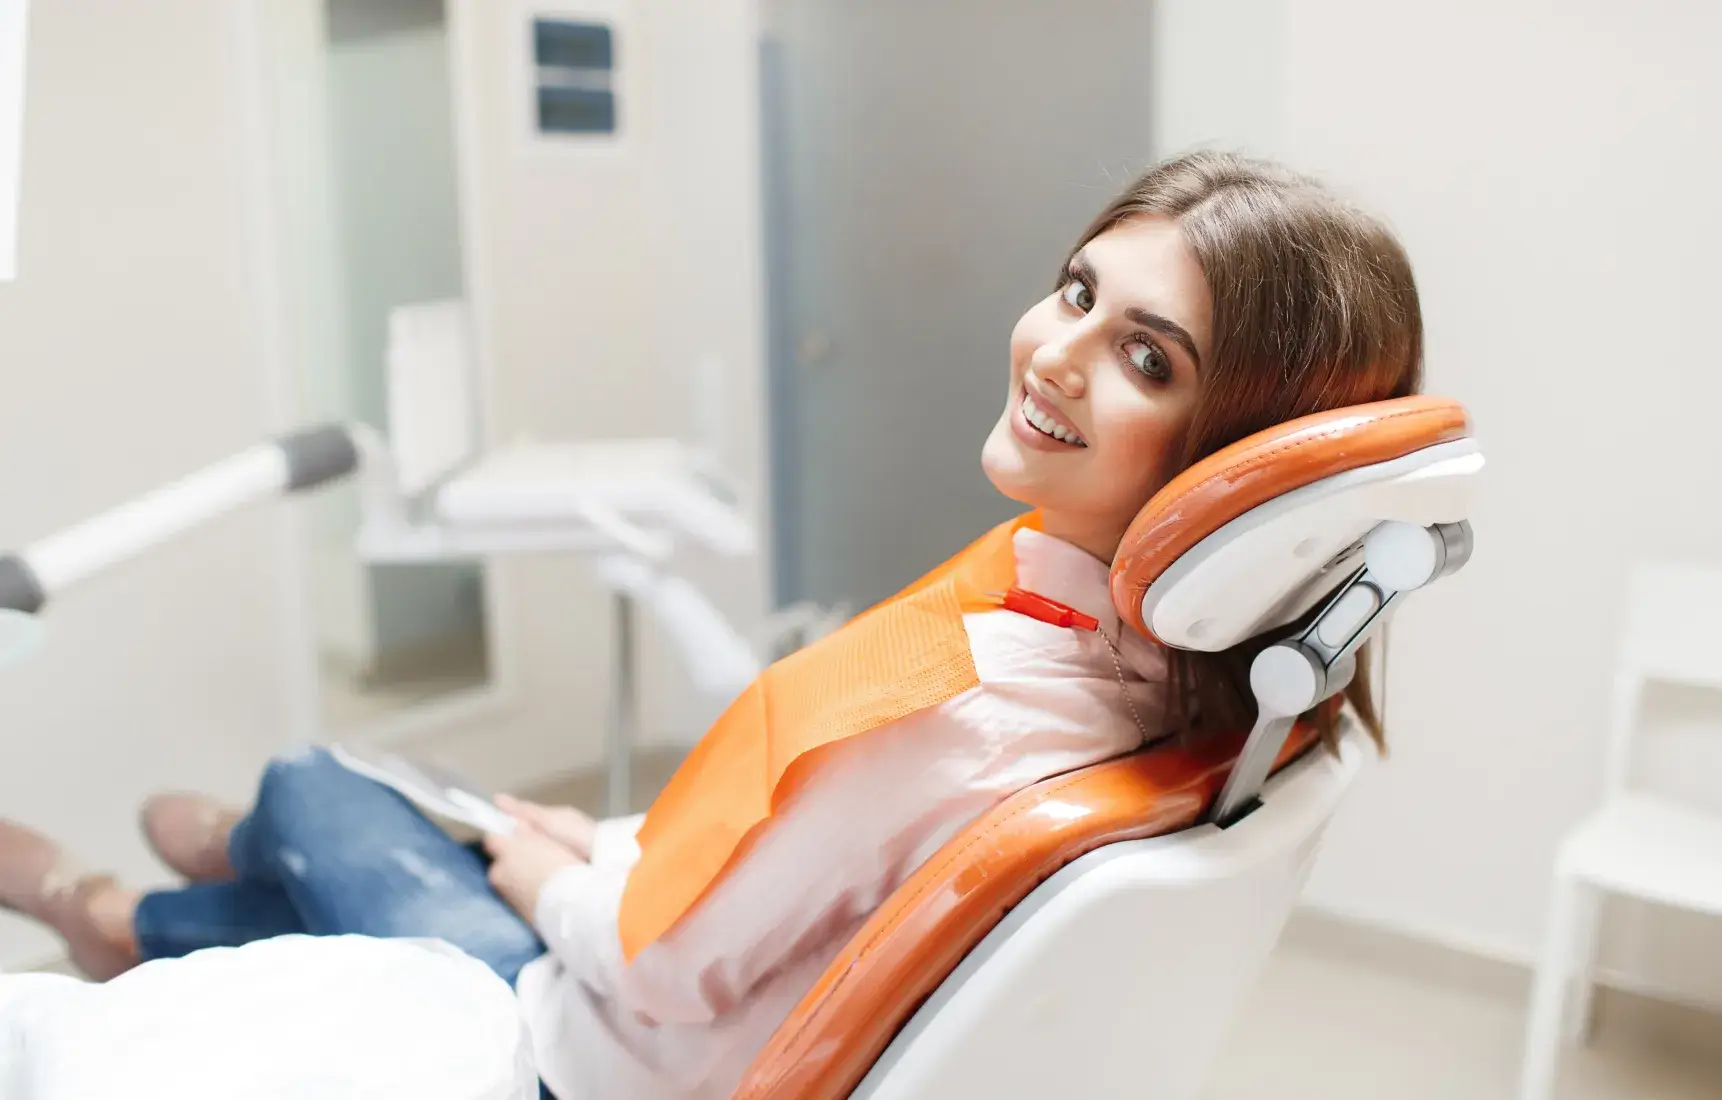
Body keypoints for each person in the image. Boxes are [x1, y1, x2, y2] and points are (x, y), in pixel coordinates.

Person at [0, 151, 1422, 1099]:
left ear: (1241, 458)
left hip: (598, 1047)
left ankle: (128, 913)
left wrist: (540, 866)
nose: (1056, 349)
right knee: (417, 818)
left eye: (1143, 356)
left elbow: (662, 966)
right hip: (676, 989)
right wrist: (602, 851)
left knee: (324, 787)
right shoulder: (1192, 695)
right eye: (1076, 290)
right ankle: (213, 891)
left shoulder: (967, 707)